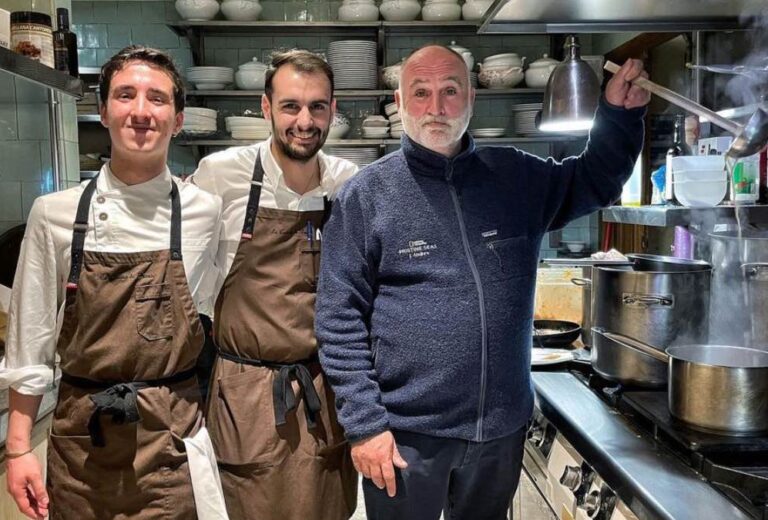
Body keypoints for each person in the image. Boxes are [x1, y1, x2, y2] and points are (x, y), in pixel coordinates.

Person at [315, 45, 650, 520]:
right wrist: (365, 426)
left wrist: (618, 115)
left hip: (500, 430)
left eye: (450, 91)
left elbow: (596, 178)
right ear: (399, 101)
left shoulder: (515, 177)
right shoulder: (365, 197)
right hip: (407, 435)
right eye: (421, 93)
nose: (436, 107)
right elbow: (338, 319)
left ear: (471, 97)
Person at [0, 45, 225, 520]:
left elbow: (209, 314)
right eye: (125, 95)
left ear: (178, 120)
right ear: (103, 111)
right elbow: (29, 341)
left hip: (172, 438)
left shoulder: (205, 213)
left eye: (157, 98)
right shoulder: (54, 214)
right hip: (83, 441)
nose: (141, 111)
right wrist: (18, 448)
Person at [190, 49, 359, 520]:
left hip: (325, 397)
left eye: (317, 107)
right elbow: (183, 278)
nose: (304, 121)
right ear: (266, 107)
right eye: (290, 106)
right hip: (245, 398)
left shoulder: (349, 184)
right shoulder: (220, 176)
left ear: (333, 110)